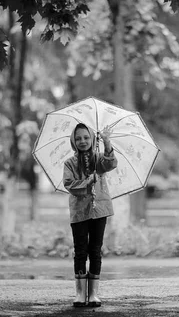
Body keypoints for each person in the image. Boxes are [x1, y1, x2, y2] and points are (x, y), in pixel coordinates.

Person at [63, 123, 117, 308]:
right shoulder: (69, 163)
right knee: (80, 251)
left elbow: (111, 163)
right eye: (78, 138)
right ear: (73, 141)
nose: (82, 141)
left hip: (100, 209)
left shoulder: (99, 159)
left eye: (86, 137)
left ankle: (93, 293)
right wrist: (88, 181)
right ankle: (80, 293)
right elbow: (69, 184)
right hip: (79, 212)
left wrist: (107, 142)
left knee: (95, 250)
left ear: (92, 138)